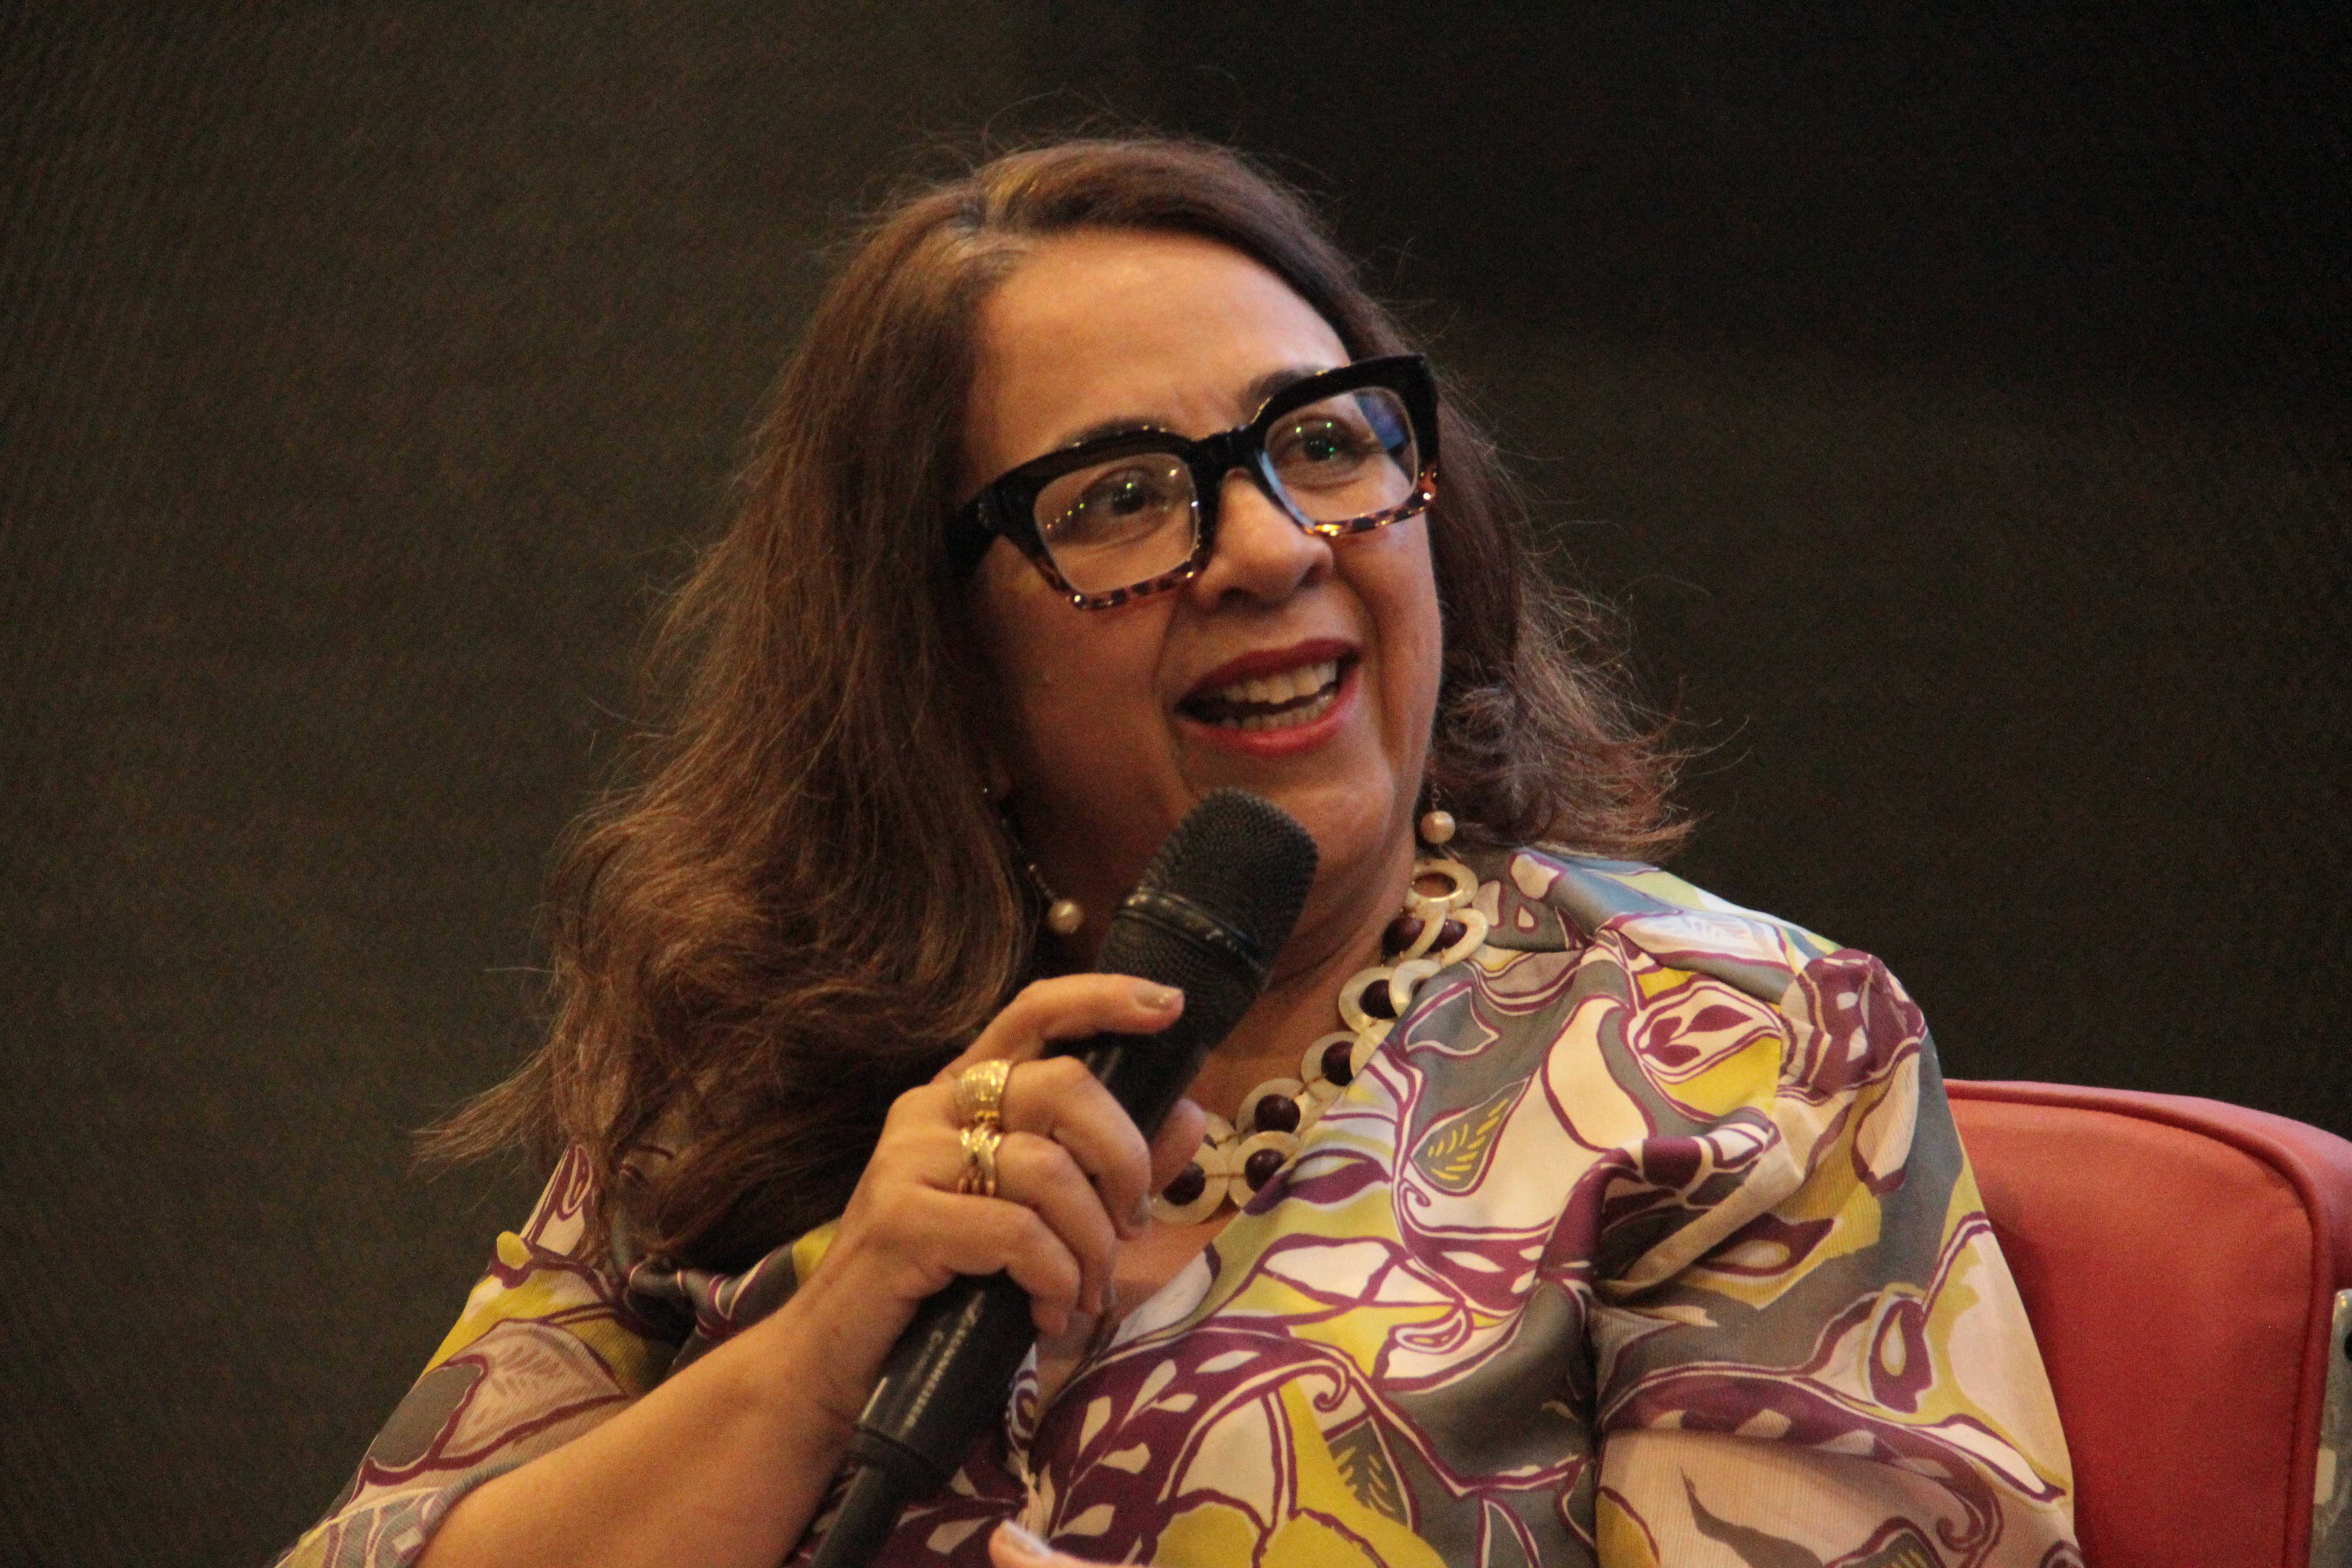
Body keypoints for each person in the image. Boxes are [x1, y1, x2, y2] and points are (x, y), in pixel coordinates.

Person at [277, 137, 2079, 1568]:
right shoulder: (745, 1065)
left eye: (1323, 442)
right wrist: (823, 1351)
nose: (1272, 546)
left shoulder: (1730, 1055)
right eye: (1123, 497)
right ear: (935, 658)